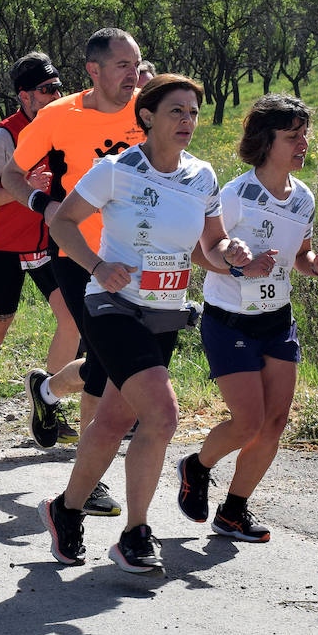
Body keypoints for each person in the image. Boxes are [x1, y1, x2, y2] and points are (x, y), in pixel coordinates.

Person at [38, 73, 253, 575]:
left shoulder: (203, 176)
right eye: (177, 111)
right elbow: (61, 222)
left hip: (164, 310)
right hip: (112, 306)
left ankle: (65, 510)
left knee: (113, 419)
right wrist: (96, 266)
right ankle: (136, 531)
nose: (187, 121)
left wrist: (233, 255)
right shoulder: (115, 170)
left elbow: (210, 247)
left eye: (194, 113)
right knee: (161, 415)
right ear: (147, 118)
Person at [174, 94, 318, 543]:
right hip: (229, 320)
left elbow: (299, 256)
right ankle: (196, 466)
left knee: (275, 422)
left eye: (305, 135)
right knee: (247, 422)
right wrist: (236, 262)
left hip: (277, 319)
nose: (303, 144)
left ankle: (234, 511)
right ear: (267, 141)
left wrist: (315, 263)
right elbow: (200, 250)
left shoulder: (303, 198)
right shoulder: (237, 194)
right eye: (292, 137)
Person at [1, 28, 148, 515]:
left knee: (108, 363)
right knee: (105, 364)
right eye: (123, 65)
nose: (133, 74)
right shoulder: (57, 116)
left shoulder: (147, 111)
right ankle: (93, 478)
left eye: (137, 64)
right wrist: (41, 202)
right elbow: (11, 175)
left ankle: (46, 389)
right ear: (95, 70)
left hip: (136, 255)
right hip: (76, 252)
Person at [0, 52, 80, 451]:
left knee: (72, 322)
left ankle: (49, 402)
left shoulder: (63, 127)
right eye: (46, 90)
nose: (55, 95)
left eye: (58, 87)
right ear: (24, 96)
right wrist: (25, 187)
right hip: (5, 248)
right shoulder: (5, 136)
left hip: (48, 245)